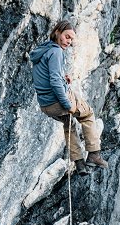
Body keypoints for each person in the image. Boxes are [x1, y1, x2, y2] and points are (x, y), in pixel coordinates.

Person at [30, 20, 108, 176]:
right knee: (87, 114)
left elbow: (47, 76)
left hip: (46, 105)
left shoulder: (42, 50)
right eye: (67, 37)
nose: (69, 42)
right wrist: (66, 103)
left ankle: (79, 164)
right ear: (57, 32)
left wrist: (62, 78)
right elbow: (54, 81)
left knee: (69, 123)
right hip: (58, 100)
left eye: (72, 39)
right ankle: (94, 154)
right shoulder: (56, 51)